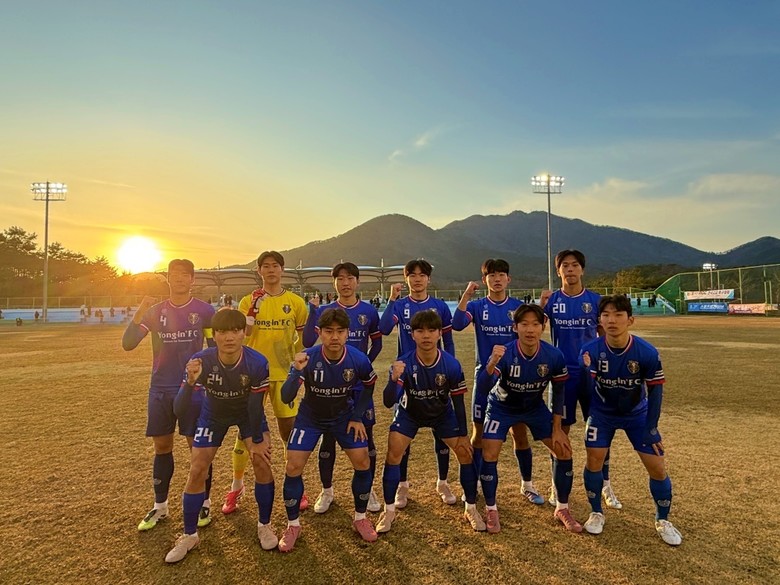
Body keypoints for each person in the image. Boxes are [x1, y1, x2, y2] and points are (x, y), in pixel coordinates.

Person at [164, 308, 276, 563]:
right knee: (197, 468)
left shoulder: (257, 362)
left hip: (248, 414)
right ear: (214, 335)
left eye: (235, 331)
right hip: (213, 414)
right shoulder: (200, 361)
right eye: (223, 332)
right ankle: (189, 535)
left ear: (244, 333)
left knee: (262, 461)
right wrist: (190, 382)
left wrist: (257, 441)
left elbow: (255, 407)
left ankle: (265, 525)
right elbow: (179, 409)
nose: (229, 337)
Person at [580, 295, 682, 546]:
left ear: (630, 320)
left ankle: (663, 519)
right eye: (606, 315)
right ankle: (596, 512)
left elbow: (656, 390)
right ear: (599, 320)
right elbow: (586, 391)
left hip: (637, 415)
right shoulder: (590, 350)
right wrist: (585, 373)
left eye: (618, 315)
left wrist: (651, 427)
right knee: (594, 460)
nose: (612, 320)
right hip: (602, 414)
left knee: (657, 466)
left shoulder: (646, 352)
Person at [122, 259, 216, 531]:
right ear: (168, 278)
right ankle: (160, 506)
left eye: (185, 275)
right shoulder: (154, 312)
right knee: (162, 447)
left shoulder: (204, 311)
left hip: (193, 388)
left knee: (197, 449)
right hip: (161, 388)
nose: (179, 279)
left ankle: (205, 502)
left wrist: (208, 379)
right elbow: (128, 344)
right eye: (174, 274)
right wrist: (140, 310)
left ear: (192, 279)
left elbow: (214, 347)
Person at [277, 308, 379, 551]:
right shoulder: (308, 357)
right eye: (329, 331)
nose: (334, 337)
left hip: (343, 416)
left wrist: (357, 417)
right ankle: (293, 525)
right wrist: (296, 372)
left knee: (362, 460)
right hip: (310, 418)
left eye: (340, 331)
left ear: (347, 333)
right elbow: (286, 396)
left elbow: (368, 387)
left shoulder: (358, 359)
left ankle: (360, 518)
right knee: (293, 465)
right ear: (319, 333)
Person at [476, 304, 582, 534]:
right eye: (524, 324)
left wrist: (557, 428)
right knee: (489, 451)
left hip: (534, 408)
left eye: (535, 324)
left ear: (543, 327)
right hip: (502, 407)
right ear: (515, 328)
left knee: (563, 450)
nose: (530, 329)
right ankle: (491, 508)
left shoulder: (553, 355)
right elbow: (483, 387)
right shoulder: (505, 352)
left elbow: (560, 392)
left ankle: (562, 508)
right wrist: (492, 363)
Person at [376, 309, 484, 534]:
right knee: (393, 451)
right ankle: (388, 511)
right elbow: (388, 401)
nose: (426, 335)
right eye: (420, 331)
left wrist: (463, 434)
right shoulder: (403, 363)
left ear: (439, 334)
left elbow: (458, 401)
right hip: (410, 414)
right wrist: (394, 379)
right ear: (412, 334)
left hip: (442, 414)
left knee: (465, 452)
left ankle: (471, 508)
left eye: (431, 330)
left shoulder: (451, 364)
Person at [222, 251, 308, 513]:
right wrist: (252, 312)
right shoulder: (247, 300)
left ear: (282, 270)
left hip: (284, 374)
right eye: (266, 266)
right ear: (259, 271)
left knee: (288, 431)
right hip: (253, 375)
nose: (271, 270)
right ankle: (237, 486)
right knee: (245, 431)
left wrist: (298, 369)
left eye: (275, 266)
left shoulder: (295, 302)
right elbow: (242, 335)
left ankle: (296, 485)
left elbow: (302, 341)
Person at [452, 259, 544, 505]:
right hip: (485, 376)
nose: (497, 279)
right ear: (485, 280)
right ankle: (474, 483)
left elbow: (532, 333)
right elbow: (457, 324)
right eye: (491, 275)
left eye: (501, 274)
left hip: (514, 378)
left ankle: (527, 484)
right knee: (479, 434)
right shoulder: (477, 306)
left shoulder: (518, 307)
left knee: (519, 432)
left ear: (508, 279)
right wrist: (466, 295)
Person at [540, 249, 621, 510]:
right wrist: (541, 306)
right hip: (562, 377)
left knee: (600, 430)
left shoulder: (595, 301)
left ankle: (605, 484)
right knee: (559, 431)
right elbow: (533, 328)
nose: (570, 269)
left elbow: (606, 335)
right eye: (565, 265)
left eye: (575, 265)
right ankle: (556, 485)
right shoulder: (552, 301)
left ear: (582, 269)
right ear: (558, 271)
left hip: (591, 375)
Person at [302, 262, 383, 514]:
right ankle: (326, 491)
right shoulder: (325, 310)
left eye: (349, 278)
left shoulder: (368, 311)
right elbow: (307, 341)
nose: (345, 283)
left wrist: (363, 365)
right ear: (334, 282)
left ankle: (368, 488)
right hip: (329, 384)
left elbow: (378, 343)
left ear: (357, 281)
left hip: (358, 386)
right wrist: (312, 312)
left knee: (366, 435)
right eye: (340, 278)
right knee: (327, 436)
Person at [378, 259, 456, 507]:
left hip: (436, 373)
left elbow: (448, 340)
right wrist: (392, 299)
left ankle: (442, 482)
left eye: (422, 275)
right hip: (407, 375)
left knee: (441, 429)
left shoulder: (439, 306)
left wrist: (451, 366)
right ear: (406, 278)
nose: (417, 279)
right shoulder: (401, 305)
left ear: (428, 279)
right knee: (403, 432)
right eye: (412, 275)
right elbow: (384, 328)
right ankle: (402, 485)